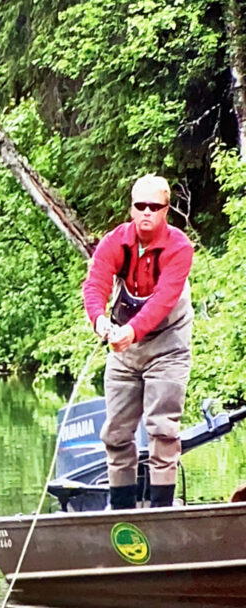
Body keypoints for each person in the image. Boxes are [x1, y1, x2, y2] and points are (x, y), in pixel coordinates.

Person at [83, 175, 195, 509]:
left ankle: (162, 512)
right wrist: (100, 321)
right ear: (131, 208)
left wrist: (130, 332)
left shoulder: (179, 248)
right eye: (140, 206)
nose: (146, 212)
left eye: (155, 207)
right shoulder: (114, 242)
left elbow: (163, 301)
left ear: (166, 209)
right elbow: (95, 285)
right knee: (116, 433)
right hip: (123, 349)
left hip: (168, 346)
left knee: (163, 429)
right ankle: (121, 512)